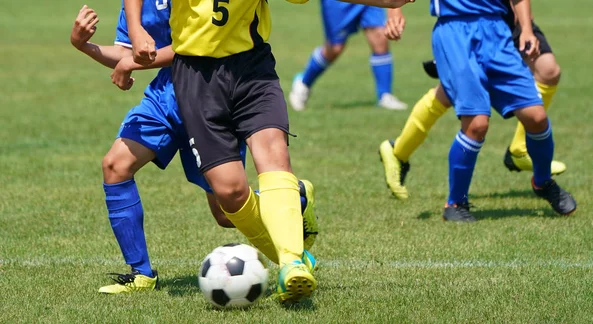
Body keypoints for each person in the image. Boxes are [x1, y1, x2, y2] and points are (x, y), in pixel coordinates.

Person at [70, 1, 318, 294]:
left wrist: (135, 62)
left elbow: (195, 44)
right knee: (115, 165)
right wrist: (83, 45)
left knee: (226, 211)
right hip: (165, 96)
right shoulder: (138, 5)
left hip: (210, 88)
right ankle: (141, 273)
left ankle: (294, 202)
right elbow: (128, 54)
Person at [382, 0, 576, 221]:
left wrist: (527, 30)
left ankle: (542, 182)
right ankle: (455, 203)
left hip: (498, 30)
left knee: (537, 117)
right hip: (454, 31)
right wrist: (394, 11)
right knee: (476, 124)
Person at [288, 1, 408, 111]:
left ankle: (385, 95)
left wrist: (395, 8)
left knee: (380, 37)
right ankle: (303, 83)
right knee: (335, 48)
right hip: (338, 3)